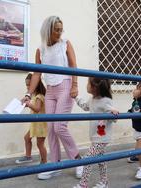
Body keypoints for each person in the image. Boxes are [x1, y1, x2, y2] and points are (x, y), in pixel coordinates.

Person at [22, 16, 83, 180]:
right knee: (50, 129)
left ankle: (77, 161)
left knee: (59, 127)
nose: (59, 32)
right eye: (56, 29)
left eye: (60, 29)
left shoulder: (65, 43)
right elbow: (37, 73)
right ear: (48, 30)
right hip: (50, 91)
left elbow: (73, 65)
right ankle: (55, 165)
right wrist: (28, 94)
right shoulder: (40, 49)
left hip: (65, 86)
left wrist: (75, 85)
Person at [73, 77, 119, 188]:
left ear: (95, 87)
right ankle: (104, 182)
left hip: (102, 138)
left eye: (88, 83)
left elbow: (114, 118)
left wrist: (113, 112)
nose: (87, 85)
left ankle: (83, 184)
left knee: (88, 159)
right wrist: (76, 97)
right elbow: (85, 106)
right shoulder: (92, 99)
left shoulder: (106, 101)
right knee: (101, 160)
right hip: (95, 137)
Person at [16, 73, 47, 164]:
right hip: (35, 124)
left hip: (41, 124)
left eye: (29, 85)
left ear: (36, 84)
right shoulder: (33, 95)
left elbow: (37, 109)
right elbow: (32, 105)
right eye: (26, 85)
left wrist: (29, 104)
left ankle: (44, 162)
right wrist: (22, 104)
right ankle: (28, 156)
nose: (28, 87)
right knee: (27, 138)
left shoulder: (39, 96)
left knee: (40, 144)